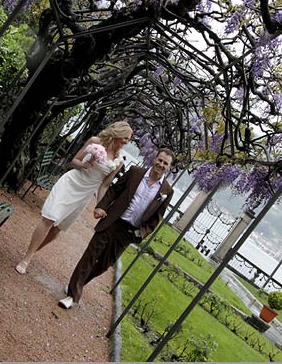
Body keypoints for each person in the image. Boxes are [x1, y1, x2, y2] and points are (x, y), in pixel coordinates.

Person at [58, 148, 175, 309]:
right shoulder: (135, 172)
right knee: (90, 256)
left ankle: (77, 284)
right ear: (154, 159)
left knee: (104, 264)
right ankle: (73, 295)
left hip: (128, 232)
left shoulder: (167, 191)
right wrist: (101, 206)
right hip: (112, 221)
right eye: (160, 160)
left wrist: (140, 233)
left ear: (169, 167)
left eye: (165, 163)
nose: (161, 165)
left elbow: (156, 218)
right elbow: (114, 190)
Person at [15, 121, 133, 274]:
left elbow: (104, 185)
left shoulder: (119, 161)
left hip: (84, 194)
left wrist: (100, 206)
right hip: (71, 182)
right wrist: (84, 165)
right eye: (125, 138)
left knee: (58, 229)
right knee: (50, 218)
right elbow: (74, 161)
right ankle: (27, 258)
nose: (126, 142)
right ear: (117, 133)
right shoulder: (95, 142)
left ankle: (33, 251)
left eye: (128, 140)